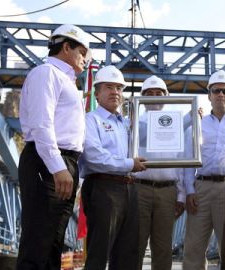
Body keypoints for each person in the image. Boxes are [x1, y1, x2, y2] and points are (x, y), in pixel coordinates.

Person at [17, 24, 91, 270]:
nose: (86, 59)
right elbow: (41, 123)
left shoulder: (67, 82)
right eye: (82, 52)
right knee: (38, 242)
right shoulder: (46, 73)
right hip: (47, 161)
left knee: (53, 244)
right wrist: (58, 167)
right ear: (66, 47)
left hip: (62, 162)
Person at [79, 65, 147, 270]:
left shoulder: (127, 124)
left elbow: (161, 131)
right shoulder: (91, 120)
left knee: (128, 253)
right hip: (103, 187)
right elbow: (93, 156)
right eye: (109, 87)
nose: (115, 92)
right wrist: (129, 164)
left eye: (119, 88)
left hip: (129, 188)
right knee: (100, 252)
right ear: (97, 94)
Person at [183, 70, 225, 270]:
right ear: (209, 95)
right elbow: (189, 160)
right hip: (201, 189)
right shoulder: (198, 125)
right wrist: (189, 190)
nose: (221, 94)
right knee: (194, 247)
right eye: (216, 91)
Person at [134, 75, 186, 270]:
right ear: (142, 98)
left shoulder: (179, 124)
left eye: (159, 93)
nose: (154, 98)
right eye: (149, 94)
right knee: (136, 245)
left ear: (166, 97)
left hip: (167, 192)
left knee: (163, 247)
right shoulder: (134, 123)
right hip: (140, 190)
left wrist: (181, 194)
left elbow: (182, 161)